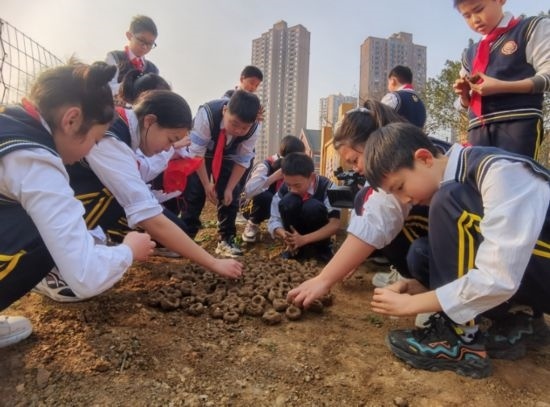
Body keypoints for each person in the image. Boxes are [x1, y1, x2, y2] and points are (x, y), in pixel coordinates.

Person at [362, 121, 550, 378]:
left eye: (400, 187)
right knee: (422, 254)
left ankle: (459, 340)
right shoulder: (461, 175)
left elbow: (499, 277)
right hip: (536, 271)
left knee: (449, 201)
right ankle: (521, 318)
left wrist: (413, 304)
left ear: (424, 158)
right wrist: (421, 287)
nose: (404, 199)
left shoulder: (497, 171)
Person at [32, 89, 243, 303]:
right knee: (112, 196)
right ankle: (50, 266)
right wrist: (214, 263)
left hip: (61, 198)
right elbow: (149, 216)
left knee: (140, 209)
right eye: (170, 139)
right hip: (44, 209)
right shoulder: (109, 138)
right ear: (149, 121)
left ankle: (88, 245)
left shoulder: (126, 129)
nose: (168, 148)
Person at [0, 61, 155, 347]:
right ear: (71, 120)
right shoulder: (35, 162)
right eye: (95, 139)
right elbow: (85, 275)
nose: (92, 150)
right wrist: (128, 250)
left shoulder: (10, 122)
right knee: (41, 233)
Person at [287, 101, 448, 310]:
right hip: (450, 243)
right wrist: (350, 259)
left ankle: (442, 299)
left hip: (463, 257)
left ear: (374, 143)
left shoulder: (403, 163)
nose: (356, 169)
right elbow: (367, 218)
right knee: (364, 199)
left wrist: (324, 279)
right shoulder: (411, 151)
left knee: (418, 253)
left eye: (355, 160)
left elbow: (376, 219)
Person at [452, 0, 550, 159]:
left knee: (516, 174)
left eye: (478, 9)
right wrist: (464, 95)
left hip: (518, 123)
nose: (475, 20)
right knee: (481, 176)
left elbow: (547, 76)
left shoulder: (530, 28)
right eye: (467, 16)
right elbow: (462, 105)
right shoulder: (469, 54)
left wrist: (502, 86)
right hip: (477, 131)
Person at [178, 90, 261, 258]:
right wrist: (206, 184)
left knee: (231, 195)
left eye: (244, 127)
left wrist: (229, 188)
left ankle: (226, 238)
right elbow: (197, 155)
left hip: (229, 156)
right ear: (224, 111)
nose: (238, 130)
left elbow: (242, 160)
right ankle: (185, 238)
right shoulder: (207, 115)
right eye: (234, 124)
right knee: (194, 192)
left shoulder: (254, 128)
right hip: (202, 154)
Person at [268, 152, 341, 263]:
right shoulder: (283, 190)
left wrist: (304, 239)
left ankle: (321, 250)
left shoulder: (329, 188)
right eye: (288, 185)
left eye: (297, 185)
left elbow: (334, 224)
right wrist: (286, 235)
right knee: (288, 201)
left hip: (318, 237)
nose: (292, 190)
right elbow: (274, 220)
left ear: (311, 177)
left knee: (312, 207)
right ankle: (296, 249)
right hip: (295, 236)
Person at [241, 136, 305, 243]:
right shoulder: (265, 166)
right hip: (250, 205)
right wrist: (274, 177)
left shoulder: (295, 169)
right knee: (266, 197)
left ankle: (283, 227)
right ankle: (252, 223)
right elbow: (249, 191)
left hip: (276, 204)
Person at [105, 15, 160, 102]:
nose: (145, 47)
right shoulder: (115, 57)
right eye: (141, 40)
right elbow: (107, 88)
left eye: (150, 44)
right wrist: (133, 85)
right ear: (129, 35)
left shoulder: (153, 69)